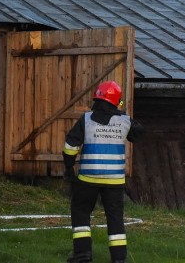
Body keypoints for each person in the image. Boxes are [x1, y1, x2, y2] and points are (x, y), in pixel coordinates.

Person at [63, 81, 144, 263]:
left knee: (81, 212)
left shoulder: (86, 120)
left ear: (97, 98)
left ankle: (82, 255)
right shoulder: (125, 122)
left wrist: (69, 167)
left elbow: (70, 146)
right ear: (117, 101)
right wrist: (122, 118)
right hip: (114, 181)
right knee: (115, 217)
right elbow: (140, 134)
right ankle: (119, 259)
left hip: (88, 179)